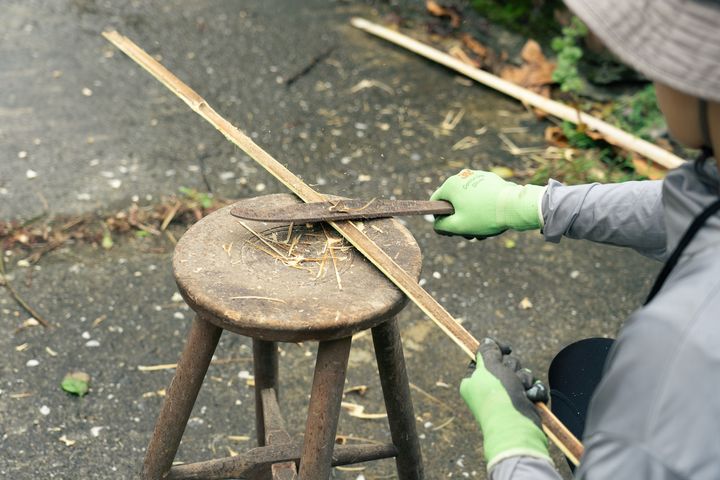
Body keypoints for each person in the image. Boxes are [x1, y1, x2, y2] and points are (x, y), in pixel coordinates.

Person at [430, 0, 720, 478]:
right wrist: (533, 205)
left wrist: (512, 443)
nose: (653, 73)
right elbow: (697, 203)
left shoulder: (678, 342)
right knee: (585, 367)